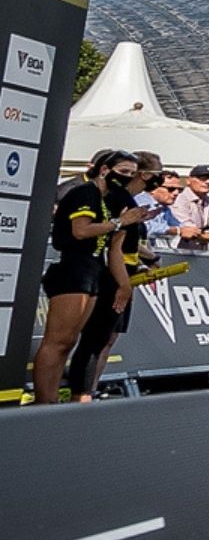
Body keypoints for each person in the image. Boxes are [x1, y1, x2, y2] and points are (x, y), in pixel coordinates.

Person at [32, 151, 147, 404]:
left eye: (131, 174)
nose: (127, 178)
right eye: (123, 171)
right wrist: (119, 222)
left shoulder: (114, 200)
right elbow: (81, 230)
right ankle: (44, 400)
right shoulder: (84, 193)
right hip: (73, 268)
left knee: (70, 341)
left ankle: (53, 402)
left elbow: (115, 248)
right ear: (105, 169)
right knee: (58, 340)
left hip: (94, 269)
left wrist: (124, 285)